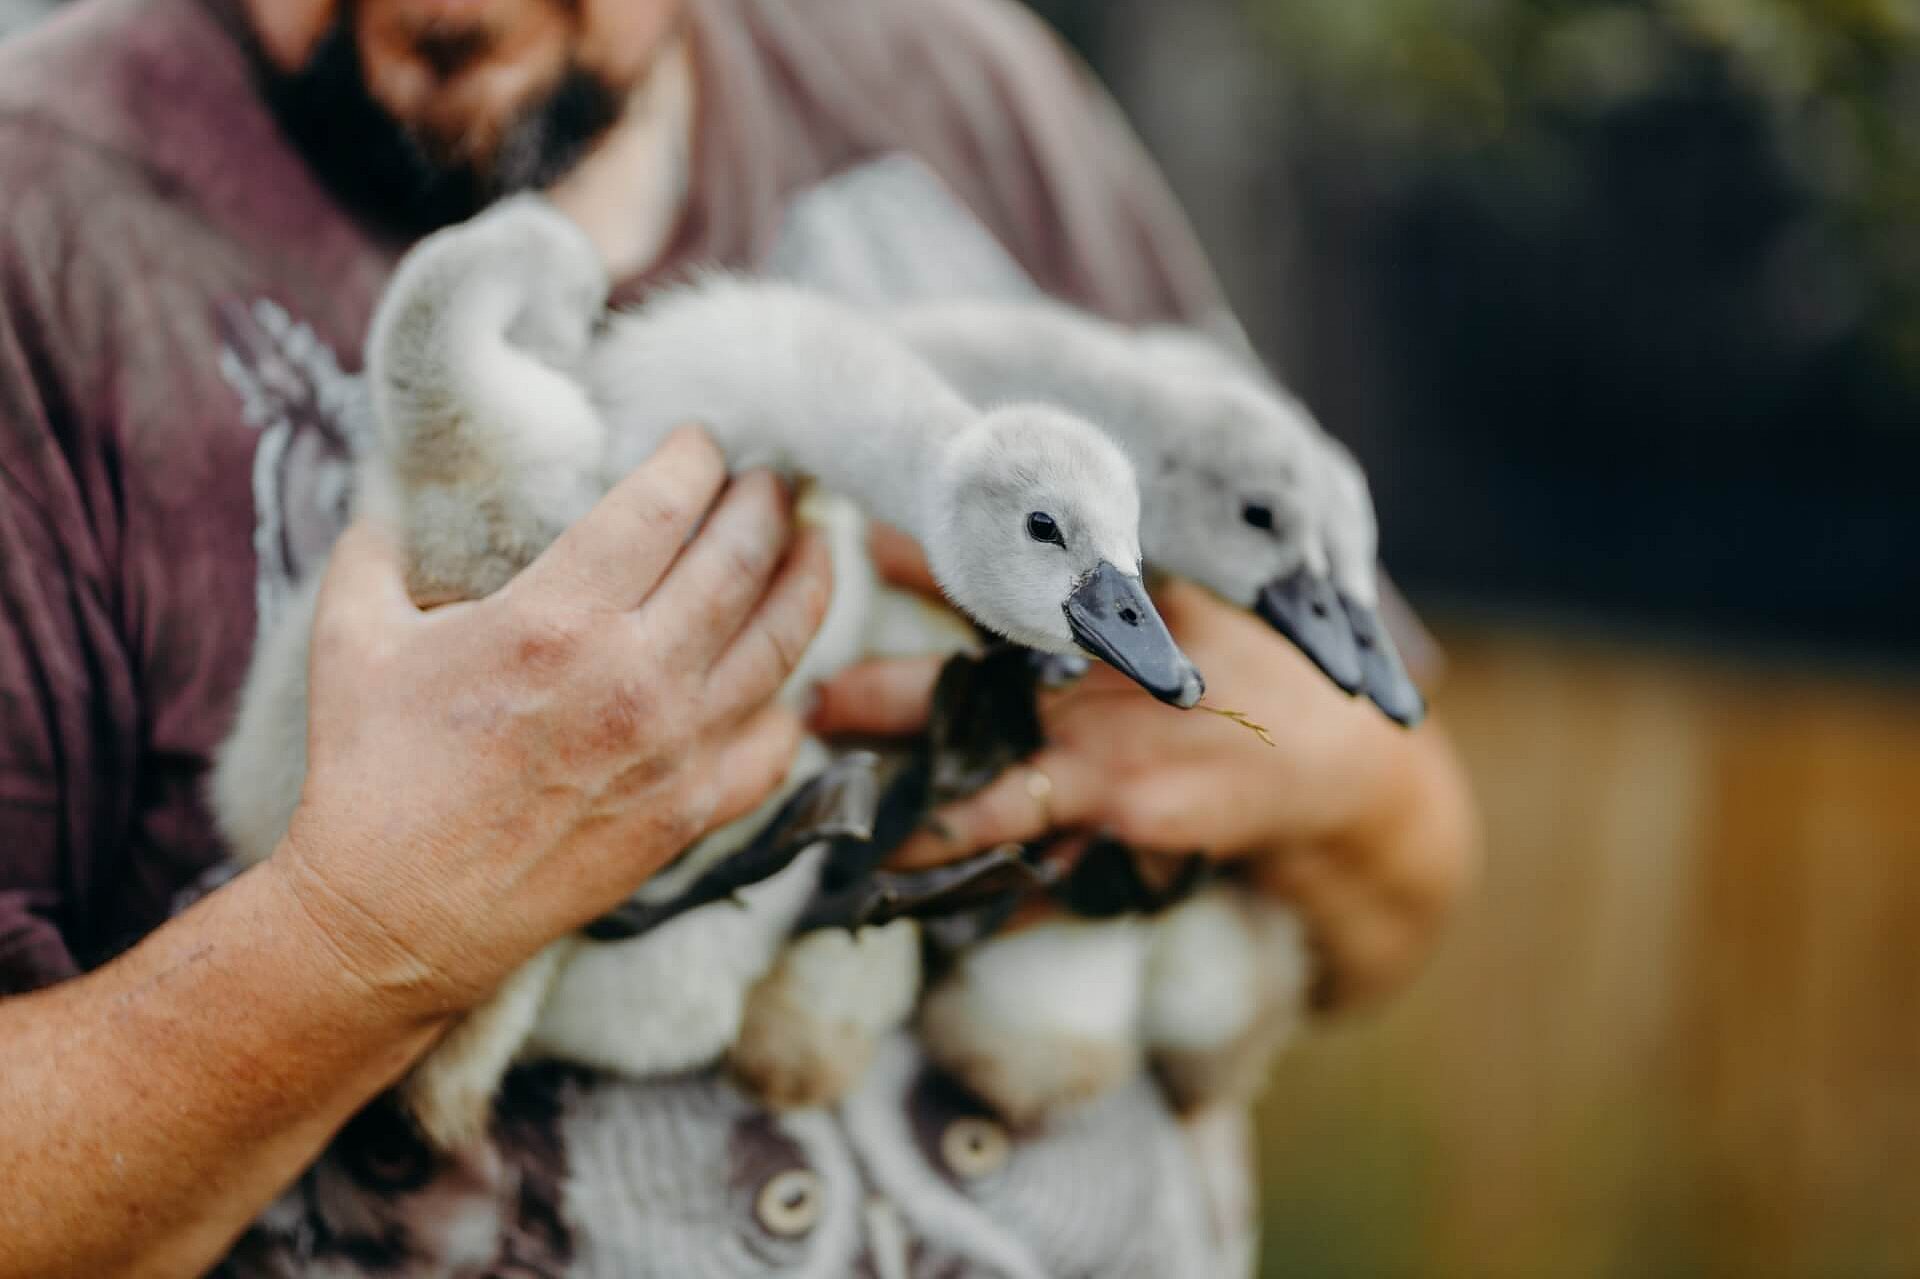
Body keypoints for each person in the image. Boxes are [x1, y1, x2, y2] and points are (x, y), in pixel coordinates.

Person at [0, 0, 1480, 1274]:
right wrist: (359, 936)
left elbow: (1414, 865)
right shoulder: (44, 231)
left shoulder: (957, 88)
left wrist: (1308, 780)